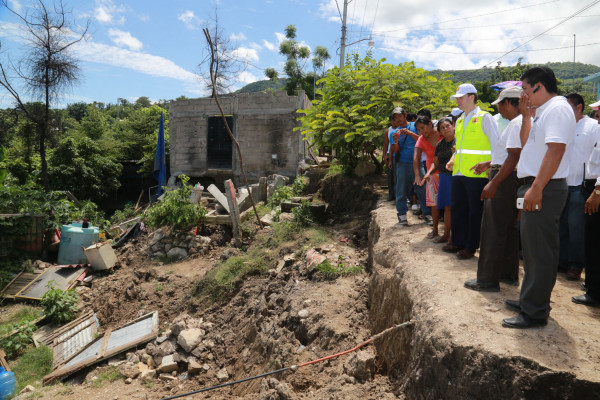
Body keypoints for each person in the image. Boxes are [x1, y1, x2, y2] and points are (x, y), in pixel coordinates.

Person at [502, 67, 576, 329]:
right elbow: (527, 144)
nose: (522, 94)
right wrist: (525, 115)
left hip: (544, 187)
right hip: (536, 185)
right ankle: (529, 299)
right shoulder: (544, 112)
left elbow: (555, 151)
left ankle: (534, 312)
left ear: (538, 87)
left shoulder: (557, 109)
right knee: (532, 250)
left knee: (540, 252)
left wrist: (537, 187)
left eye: (524, 89)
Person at [464, 86, 524, 292]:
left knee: (492, 228)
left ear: (508, 103)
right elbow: (510, 156)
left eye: (500, 105)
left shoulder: (517, 123)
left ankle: (487, 280)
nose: (499, 110)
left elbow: (514, 156)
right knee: (508, 229)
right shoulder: (521, 122)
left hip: (505, 179)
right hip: (510, 176)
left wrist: (494, 181)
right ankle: (508, 274)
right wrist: (490, 163)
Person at [443, 83, 499, 260]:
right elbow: (458, 148)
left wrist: (490, 165)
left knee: (475, 211)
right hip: (459, 173)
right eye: (457, 98)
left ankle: (470, 246)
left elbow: (496, 145)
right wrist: (452, 161)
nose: (458, 100)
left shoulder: (485, 118)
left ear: (471, 97)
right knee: (458, 208)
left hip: (477, 174)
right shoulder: (459, 120)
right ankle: (458, 241)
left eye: (461, 97)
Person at [559, 93, 600, 280]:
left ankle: (576, 264)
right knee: (561, 226)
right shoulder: (562, 126)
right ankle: (562, 261)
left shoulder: (592, 127)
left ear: (579, 107)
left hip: (580, 185)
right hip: (561, 183)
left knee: (577, 227)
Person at [572, 137, 600, 307]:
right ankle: (594, 284)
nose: (597, 115)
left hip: (597, 190)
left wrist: (597, 191)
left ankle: (595, 292)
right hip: (592, 186)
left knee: (594, 241)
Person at [389, 107, 419, 225]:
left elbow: (421, 140)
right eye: (395, 118)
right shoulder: (394, 132)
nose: (398, 120)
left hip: (417, 162)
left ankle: (426, 212)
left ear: (405, 115)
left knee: (421, 188)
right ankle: (402, 214)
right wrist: (396, 141)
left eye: (399, 116)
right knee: (400, 189)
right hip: (402, 163)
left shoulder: (415, 126)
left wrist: (409, 133)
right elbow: (396, 150)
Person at [426, 117, 455, 243]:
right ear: (440, 132)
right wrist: (428, 173)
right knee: (447, 207)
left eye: (447, 126)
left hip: (457, 177)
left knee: (457, 206)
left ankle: (455, 236)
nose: (446, 129)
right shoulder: (440, 144)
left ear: (453, 126)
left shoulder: (460, 140)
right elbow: (435, 162)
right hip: (444, 177)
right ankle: (446, 235)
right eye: (442, 128)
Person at [415, 115, 441, 237]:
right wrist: (417, 176)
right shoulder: (421, 139)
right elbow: (416, 158)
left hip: (448, 173)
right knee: (434, 205)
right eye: (419, 130)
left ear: (430, 124)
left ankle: (449, 232)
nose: (421, 132)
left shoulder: (442, 132)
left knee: (448, 205)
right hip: (431, 175)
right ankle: (435, 229)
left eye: (422, 128)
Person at [383, 114, 395, 202]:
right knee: (390, 176)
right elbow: (385, 144)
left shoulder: (401, 129)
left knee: (399, 176)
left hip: (398, 154)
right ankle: (391, 195)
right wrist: (384, 155)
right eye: (392, 120)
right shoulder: (388, 130)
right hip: (389, 154)